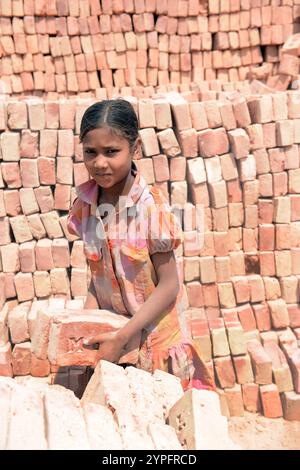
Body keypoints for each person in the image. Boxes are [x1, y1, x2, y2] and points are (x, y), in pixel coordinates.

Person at [67, 98, 215, 392]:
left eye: (111, 152)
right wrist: (85, 330)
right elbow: (98, 281)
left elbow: (170, 285)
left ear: (135, 149)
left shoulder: (151, 209)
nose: (99, 163)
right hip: (115, 341)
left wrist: (124, 335)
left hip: (155, 342)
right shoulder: (85, 207)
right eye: (90, 152)